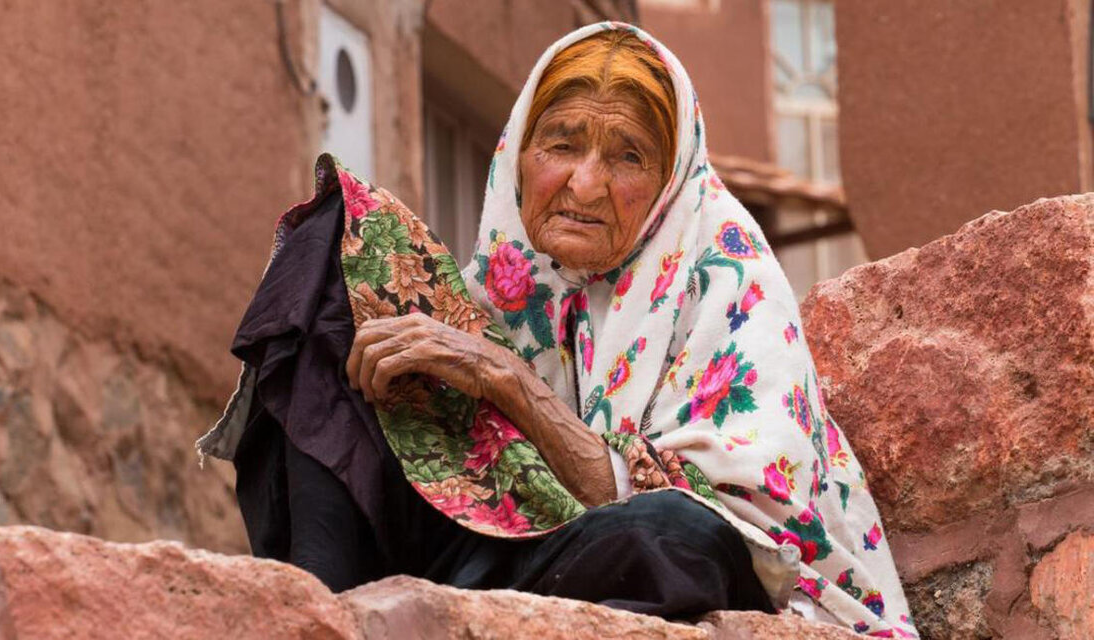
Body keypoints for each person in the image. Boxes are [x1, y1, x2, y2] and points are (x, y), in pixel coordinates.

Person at [199, 21, 917, 638]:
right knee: (336, 241)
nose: (584, 185)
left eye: (627, 156)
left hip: (634, 553)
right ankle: (323, 612)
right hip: (507, 561)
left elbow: (744, 539)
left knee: (678, 533)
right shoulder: (504, 287)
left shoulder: (727, 275)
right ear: (518, 152)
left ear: (670, 178)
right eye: (562, 145)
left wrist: (505, 380)